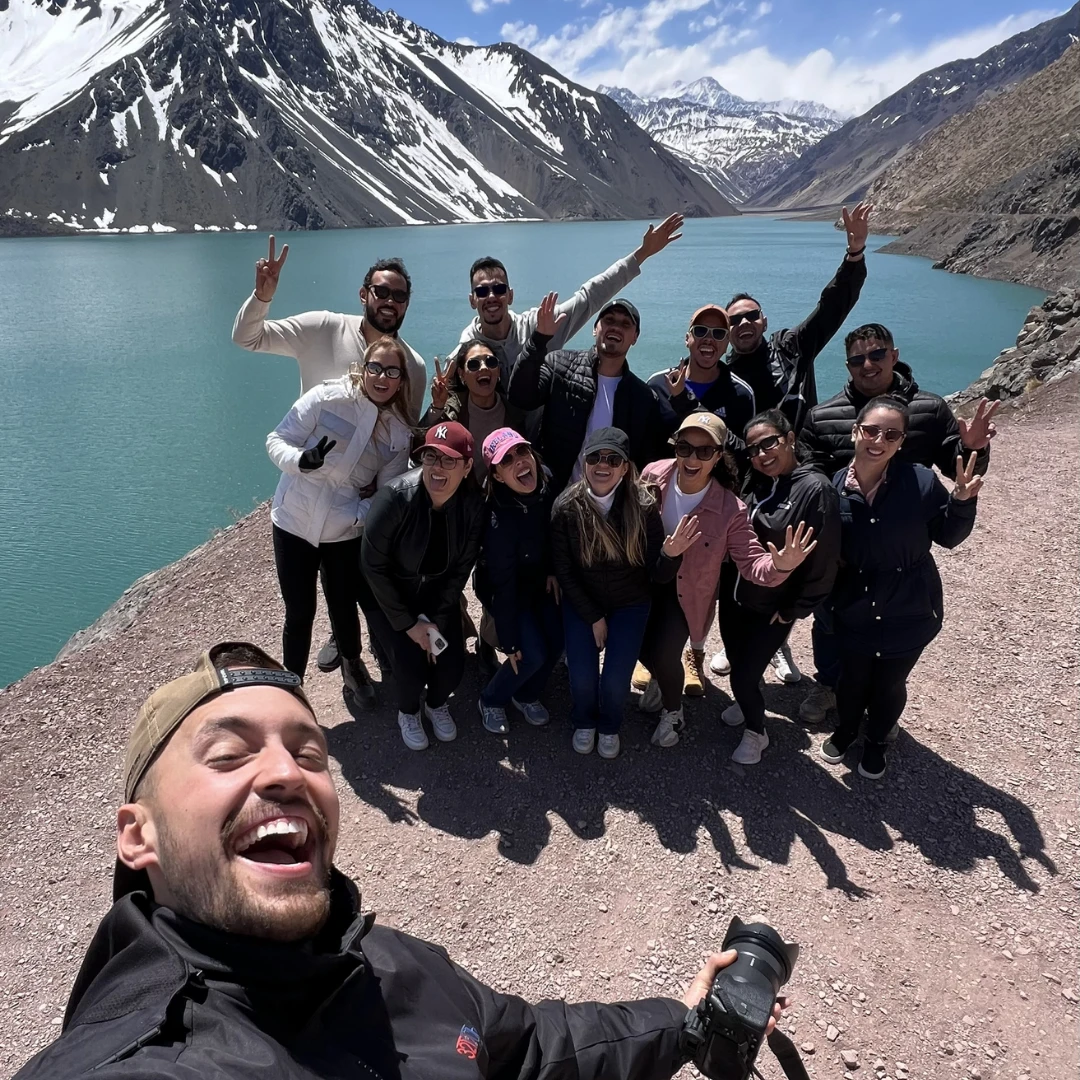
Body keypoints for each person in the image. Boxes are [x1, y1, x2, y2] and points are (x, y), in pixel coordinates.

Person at [13, 640, 783, 1078]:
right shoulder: (130, 1064)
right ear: (136, 836)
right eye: (229, 755)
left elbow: (528, 1049)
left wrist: (684, 1023)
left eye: (308, 752)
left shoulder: (386, 962)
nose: (286, 774)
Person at [232, 239, 428, 675]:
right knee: (302, 603)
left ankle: (354, 652)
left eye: (399, 296)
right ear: (364, 295)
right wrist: (262, 296)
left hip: (352, 506)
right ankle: (312, 675)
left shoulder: (412, 365)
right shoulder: (322, 327)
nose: (389, 302)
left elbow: (403, 434)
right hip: (304, 486)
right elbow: (248, 338)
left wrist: (370, 504)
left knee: (349, 590)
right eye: (381, 292)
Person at [795, 322, 998, 724]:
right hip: (846, 540)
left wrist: (972, 447)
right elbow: (809, 473)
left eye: (876, 354)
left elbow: (957, 467)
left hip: (901, 537)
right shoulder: (824, 416)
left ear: (894, 355)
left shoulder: (928, 408)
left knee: (896, 620)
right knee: (831, 618)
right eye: (857, 358)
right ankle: (830, 683)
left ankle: (880, 697)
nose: (867, 365)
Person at [637, 413, 818, 755]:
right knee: (638, 646)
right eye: (685, 447)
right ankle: (662, 683)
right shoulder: (652, 475)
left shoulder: (729, 509)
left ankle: (673, 712)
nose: (692, 458)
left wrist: (779, 566)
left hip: (685, 593)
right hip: (644, 579)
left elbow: (751, 561)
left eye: (704, 451)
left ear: (719, 455)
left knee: (664, 652)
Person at [820, 398, 982, 780]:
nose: (879, 440)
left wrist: (961, 502)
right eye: (872, 430)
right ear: (856, 431)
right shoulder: (832, 488)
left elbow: (948, 537)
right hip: (854, 605)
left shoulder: (921, 482)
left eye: (891, 434)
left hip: (910, 606)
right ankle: (846, 730)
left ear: (901, 441)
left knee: (890, 682)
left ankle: (876, 741)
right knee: (852, 678)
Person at [265, 337, 414, 704]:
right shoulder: (326, 398)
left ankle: (351, 663)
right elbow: (277, 439)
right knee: (299, 612)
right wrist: (300, 460)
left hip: (343, 531)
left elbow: (388, 494)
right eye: (375, 367)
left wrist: (355, 516)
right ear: (363, 368)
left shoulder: (397, 434)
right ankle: (292, 693)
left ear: (401, 380)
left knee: (343, 604)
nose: (382, 377)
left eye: (391, 371)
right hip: (293, 522)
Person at [551, 427, 700, 759]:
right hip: (582, 603)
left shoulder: (644, 507)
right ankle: (584, 720)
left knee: (616, 681)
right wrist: (593, 617)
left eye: (612, 459)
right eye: (594, 457)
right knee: (582, 678)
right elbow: (565, 571)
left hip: (630, 604)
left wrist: (671, 554)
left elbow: (655, 574)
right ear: (584, 462)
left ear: (625, 468)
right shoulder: (565, 507)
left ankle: (609, 726)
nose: (602, 465)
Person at [714, 411, 841, 764]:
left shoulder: (815, 490)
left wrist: (794, 610)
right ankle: (746, 702)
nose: (761, 454)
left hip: (772, 607)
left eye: (769, 443)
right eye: (754, 449)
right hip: (736, 594)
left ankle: (758, 732)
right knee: (739, 661)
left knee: (742, 673)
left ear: (790, 439)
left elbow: (824, 562)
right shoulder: (757, 481)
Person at [360, 422, 485, 751]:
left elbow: (460, 570)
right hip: (388, 597)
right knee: (409, 667)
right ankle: (409, 711)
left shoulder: (473, 506)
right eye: (430, 457)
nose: (437, 468)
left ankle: (436, 704)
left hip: (437, 598)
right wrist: (409, 624)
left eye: (448, 460)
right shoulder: (395, 497)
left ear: (467, 466)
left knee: (451, 665)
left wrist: (434, 617)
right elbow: (372, 567)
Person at [458, 213, 685, 376]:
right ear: (472, 300)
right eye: (481, 291)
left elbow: (589, 296)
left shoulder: (541, 324)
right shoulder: (467, 347)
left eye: (498, 289)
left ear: (510, 296)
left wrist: (642, 254)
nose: (491, 297)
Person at [725, 202, 872, 433]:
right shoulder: (724, 378)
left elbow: (831, 307)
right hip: (755, 461)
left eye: (752, 316)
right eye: (734, 320)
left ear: (764, 323)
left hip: (804, 457)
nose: (743, 322)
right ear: (727, 331)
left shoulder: (792, 348)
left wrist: (854, 255)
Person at [508, 298, 673, 492]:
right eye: (609, 320)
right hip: (554, 498)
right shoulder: (559, 365)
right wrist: (538, 340)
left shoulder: (643, 397)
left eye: (625, 324)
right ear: (595, 328)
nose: (616, 328)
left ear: (635, 337)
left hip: (608, 507)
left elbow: (648, 458)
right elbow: (520, 396)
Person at [472, 428, 563, 734]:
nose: (519, 462)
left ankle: (525, 695)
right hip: (506, 590)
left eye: (522, 452)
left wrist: (551, 568)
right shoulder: (498, 521)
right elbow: (502, 586)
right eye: (506, 460)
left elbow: (553, 532)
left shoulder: (546, 481)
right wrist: (508, 641)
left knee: (556, 642)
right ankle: (492, 699)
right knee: (529, 653)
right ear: (497, 476)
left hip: (539, 579)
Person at [420, 294, 562, 469]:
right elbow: (420, 449)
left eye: (490, 361)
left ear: (499, 371)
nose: (483, 368)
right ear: (462, 375)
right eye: (473, 364)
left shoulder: (514, 412)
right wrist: (437, 407)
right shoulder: (451, 412)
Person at [647, 305, 756, 463]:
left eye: (718, 334)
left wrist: (683, 400)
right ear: (687, 338)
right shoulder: (658, 384)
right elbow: (643, 445)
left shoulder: (741, 393)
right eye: (700, 331)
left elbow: (743, 456)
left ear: (727, 344)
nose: (709, 339)